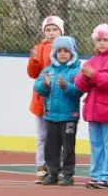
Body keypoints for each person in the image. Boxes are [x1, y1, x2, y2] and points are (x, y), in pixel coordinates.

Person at [75, 24, 108, 189]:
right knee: (96, 144)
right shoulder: (91, 61)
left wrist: (94, 76)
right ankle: (96, 175)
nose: (102, 43)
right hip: (93, 111)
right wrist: (85, 77)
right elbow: (80, 85)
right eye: (99, 40)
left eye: (105, 40)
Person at [34, 35, 83, 186]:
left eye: (66, 51)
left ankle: (68, 174)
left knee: (68, 147)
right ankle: (53, 172)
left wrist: (66, 87)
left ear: (72, 53)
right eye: (59, 51)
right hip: (51, 115)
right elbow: (38, 87)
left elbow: (79, 91)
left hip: (69, 115)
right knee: (51, 146)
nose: (62, 54)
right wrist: (46, 85)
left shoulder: (76, 71)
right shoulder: (49, 70)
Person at [28, 15, 64, 181]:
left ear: (61, 31)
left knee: (58, 135)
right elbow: (33, 74)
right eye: (48, 30)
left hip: (59, 101)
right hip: (41, 101)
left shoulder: (65, 48)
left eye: (54, 29)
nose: (51, 33)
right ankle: (41, 165)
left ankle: (58, 165)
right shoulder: (39, 48)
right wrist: (34, 60)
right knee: (42, 135)